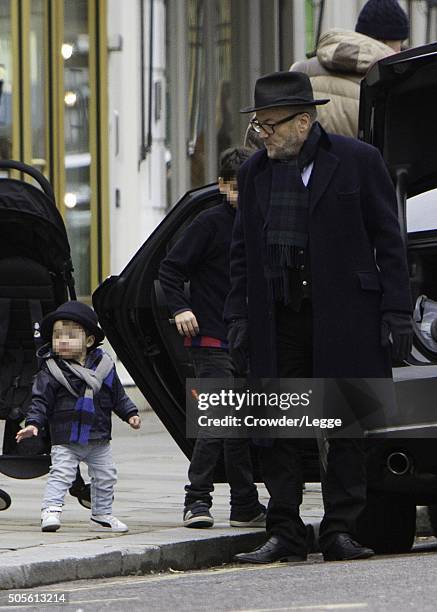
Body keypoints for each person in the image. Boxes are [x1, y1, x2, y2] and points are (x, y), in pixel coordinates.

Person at [225, 71, 412, 563]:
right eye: (259, 126)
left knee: (345, 423)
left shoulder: (358, 161)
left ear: (304, 120)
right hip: (278, 317)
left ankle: (339, 531)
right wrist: (237, 316)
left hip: (346, 315)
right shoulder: (254, 174)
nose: (263, 136)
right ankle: (285, 531)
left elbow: (389, 242)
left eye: (270, 126)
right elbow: (242, 251)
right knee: (276, 426)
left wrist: (396, 311)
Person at [159, 147, 266, 529]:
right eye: (237, 188)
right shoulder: (208, 223)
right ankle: (196, 500)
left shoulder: (262, 223)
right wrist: (180, 308)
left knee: (238, 428)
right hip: (210, 338)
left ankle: (245, 505)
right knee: (218, 421)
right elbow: (169, 270)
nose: (244, 196)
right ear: (222, 185)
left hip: (245, 340)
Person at [16, 301, 141, 533]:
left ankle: (101, 514)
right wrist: (33, 424)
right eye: (57, 336)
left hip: (98, 436)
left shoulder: (104, 366)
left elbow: (117, 395)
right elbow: (40, 401)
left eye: (71, 337)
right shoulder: (51, 370)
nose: (62, 341)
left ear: (90, 341)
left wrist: (130, 413)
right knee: (61, 474)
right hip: (66, 437)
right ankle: (51, 510)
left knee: (105, 476)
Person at [290, 0, 409, 137]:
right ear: (388, 42)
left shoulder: (303, 70)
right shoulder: (394, 82)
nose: (400, 50)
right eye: (400, 43)